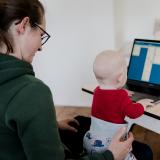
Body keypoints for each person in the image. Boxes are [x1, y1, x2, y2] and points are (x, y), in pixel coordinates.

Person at [0, 1, 137, 160]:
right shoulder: (31, 92)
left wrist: (49, 127)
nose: (40, 47)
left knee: (79, 123)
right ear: (23, 25)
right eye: (41, 34)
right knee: (143, 151)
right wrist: (111, 155)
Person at [83, 50, 153, 159]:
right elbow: (133, 113)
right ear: (120, 78)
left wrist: (123, 93)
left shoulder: (97, 91)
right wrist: (141, 105)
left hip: (90, 140)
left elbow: (110, 99)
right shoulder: (120, 96)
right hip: (110, 145)